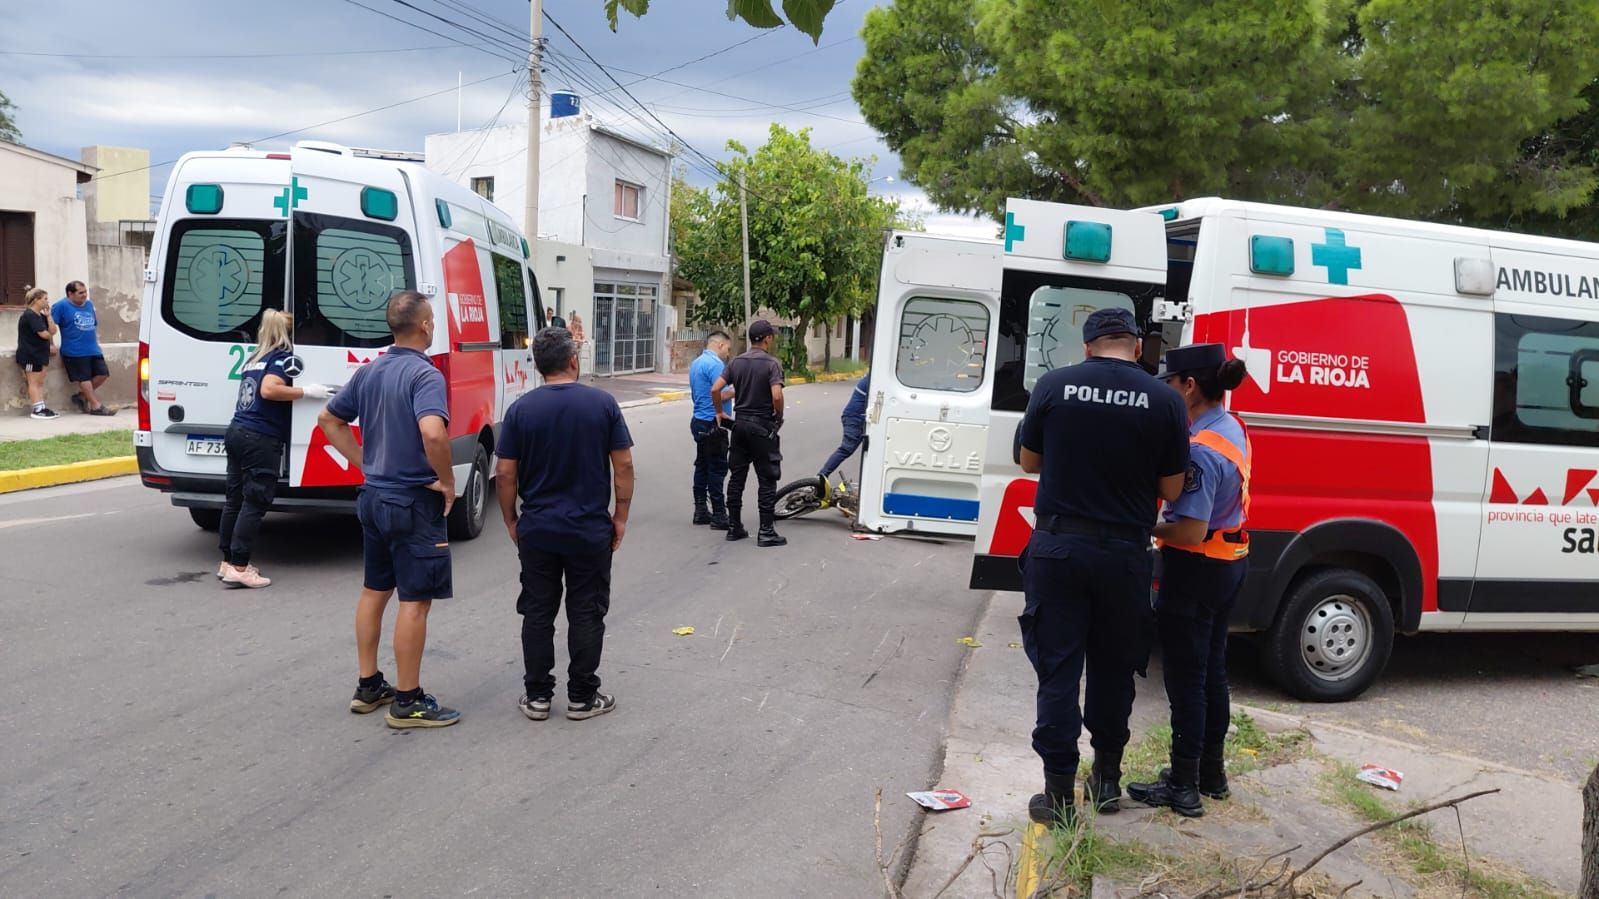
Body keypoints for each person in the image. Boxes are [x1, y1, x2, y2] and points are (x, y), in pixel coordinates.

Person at [1016, 307, 1190, 827]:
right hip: (1124, 555)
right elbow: (1172, 489)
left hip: (1059, 548)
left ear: (1088, 347)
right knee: (1115, 668)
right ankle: (1107, 780)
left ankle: (1057, 795)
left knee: (1058, 669)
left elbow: (1029, 461)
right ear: (1137, 347)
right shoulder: (1166, 400)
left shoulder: (1054, 386)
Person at [319, 291, 460, 729]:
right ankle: (408, 700)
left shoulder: (370, 370)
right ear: (424, 326)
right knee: (414, 601)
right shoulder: (425, 374)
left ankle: (368, 685)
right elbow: (433, 433)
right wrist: (447, 481)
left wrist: (364, 463)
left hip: (374, 496)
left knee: (375, 590)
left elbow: (328, 420)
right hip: (412, 500)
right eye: (432, 320)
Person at [1127, 344, 1251, 818]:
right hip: (1228, 563)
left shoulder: (1199, 451)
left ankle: (1182, 786)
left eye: (1170, 384)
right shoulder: (1231, 426)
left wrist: (1142, 526)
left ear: (1190, 386)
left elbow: (1190, 529)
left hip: (1195, 568)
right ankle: (1211, 775)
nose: (1167, 392)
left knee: (1186, 681)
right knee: (1212, 672)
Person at [496, 327, 634, 723]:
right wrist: (620, 516)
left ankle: (538, 696)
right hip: (589, 530)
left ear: (539, 366)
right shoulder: (602, 404)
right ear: (573, 360)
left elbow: (505, 473)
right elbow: (623, 465)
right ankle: (582, 697)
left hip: (538, 529)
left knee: (538, 611)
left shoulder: (521, 410)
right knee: (587, 609)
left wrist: (511, 519)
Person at [216, 311, 331, 589]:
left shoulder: (255, 358)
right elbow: (269, 390)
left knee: (235, 500)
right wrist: (307, 392)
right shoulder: (280, 358)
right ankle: (240, 567)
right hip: (260, 437)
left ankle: (228, 562)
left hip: (237, 431)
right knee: (255, 501)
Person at [713, 319, 786, 547]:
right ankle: (766, 531)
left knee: (737, 478)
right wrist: (779, 416)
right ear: (767, 339)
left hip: (740, 426)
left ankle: (734, 527)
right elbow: (776, 395)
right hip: (762, 428)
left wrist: (719, 412)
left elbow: (716, 388)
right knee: (767, 479)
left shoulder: (736, 362)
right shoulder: (772, 364)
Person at [689, 330, 733, 529]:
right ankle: (719, 513)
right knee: (717, 468)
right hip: (713, 422)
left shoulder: (696, 363)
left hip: (699, 420)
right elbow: (721, 394)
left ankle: (700, 510)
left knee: (702, 465)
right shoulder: (716, 364)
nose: (727, 354)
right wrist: (738, 389)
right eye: (728, 349)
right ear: (720, 345)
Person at [52, 281, 114, 415]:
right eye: (81, 293)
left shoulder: (89, 305)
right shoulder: (60, 306)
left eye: (85, 292)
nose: (84, 295)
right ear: (70, 294)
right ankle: (96, 406)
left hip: (93, 348)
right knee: (84, 378)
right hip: (74, 350)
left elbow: (93, 324)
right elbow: (49, 325)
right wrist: (51, 344)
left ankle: (81, 396)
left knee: (103, 374)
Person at [817, 369, 871, 490]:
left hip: (857, 417)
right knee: (846, 449)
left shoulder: (870, 378)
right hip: (855, 419)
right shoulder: (872, 381)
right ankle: (821, 477)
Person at [15, 287, 59, 420]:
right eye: (45, 299)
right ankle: (37, 409)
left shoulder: (41, 316)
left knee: (40, 382)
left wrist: (49, 316)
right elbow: (44, 334)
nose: (47, 301)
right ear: (36, 300)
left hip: (41, 354)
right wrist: (49, 334)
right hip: (30, 355)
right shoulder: (29, 315)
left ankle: (42, 406)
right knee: (33, 382)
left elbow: (53, 331)